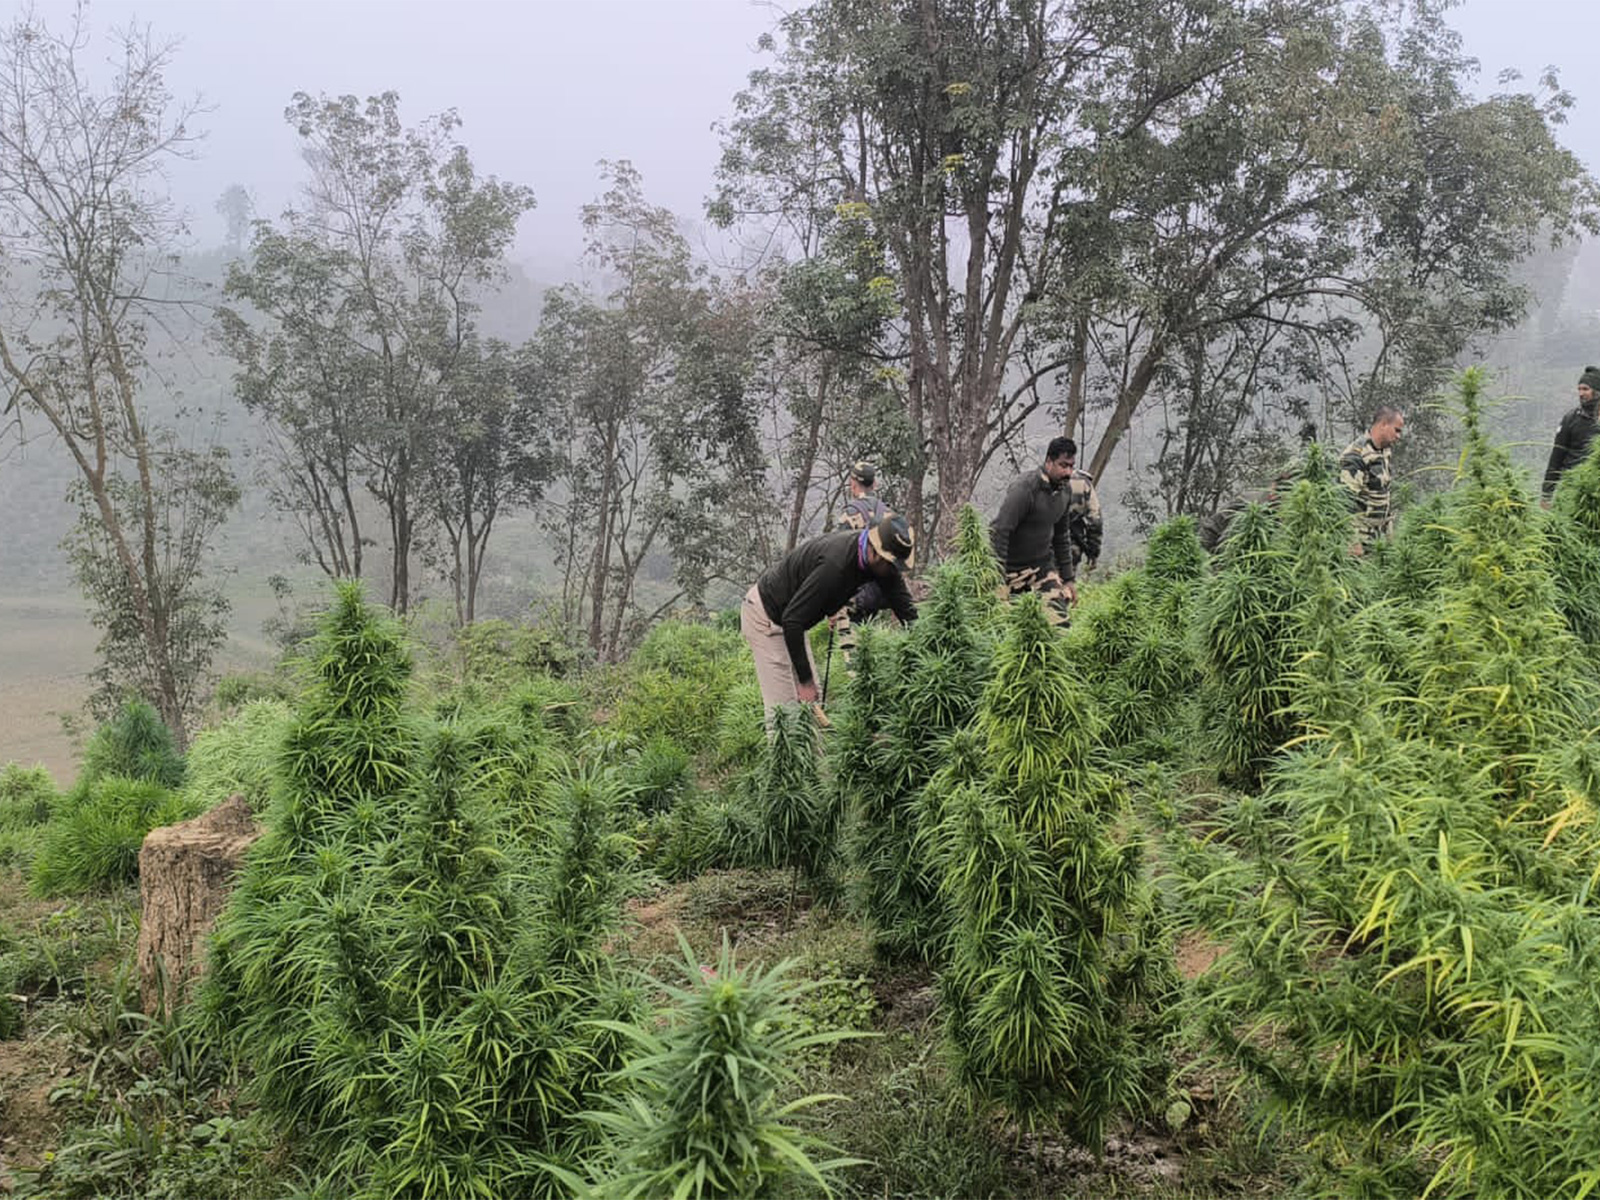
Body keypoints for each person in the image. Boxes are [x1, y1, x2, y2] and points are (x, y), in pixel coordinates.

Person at [742, 513, 918, 714]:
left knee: (809, 707)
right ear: (875, 551)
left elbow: (907, 611)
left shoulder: (881, 566)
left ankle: (813, 743)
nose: (894, 571)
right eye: (891, 564)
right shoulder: (835, 565)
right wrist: (805, 682)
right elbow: (792, 620)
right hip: (766, 617)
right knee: (785, 712)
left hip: (794, 618)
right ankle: (783, 743)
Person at [989, 436, 1081, 624]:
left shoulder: (1065, 491)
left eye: (1071, 466)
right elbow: (1001, 531)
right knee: (1009, 629)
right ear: (1049, 462)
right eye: (1063, 466)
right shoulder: (1025, 488)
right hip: (1010, 572)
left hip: (1041, 570)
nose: (1068, 472)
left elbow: (1062, 537)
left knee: (1060, 624)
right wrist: (997, 581)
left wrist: (1068, 579)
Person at [1338, 406, 1404, 552]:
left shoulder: (1383, 451)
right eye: (1396, 430)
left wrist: (1390, 535)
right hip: (1361, 539)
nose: (1399, 436)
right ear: (1383, 425)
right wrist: (1353, 542)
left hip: (1378, 538)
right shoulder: (1356, 456)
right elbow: (1344, 503)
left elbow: (1382, 493)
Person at [1542, 366, 1600, 504]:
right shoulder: (1571, 418)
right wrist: (1546, 493)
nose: (1581, 393)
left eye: (1585, 389)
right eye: (1579, 389)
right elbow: (1556, 457)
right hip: (1572, 490)